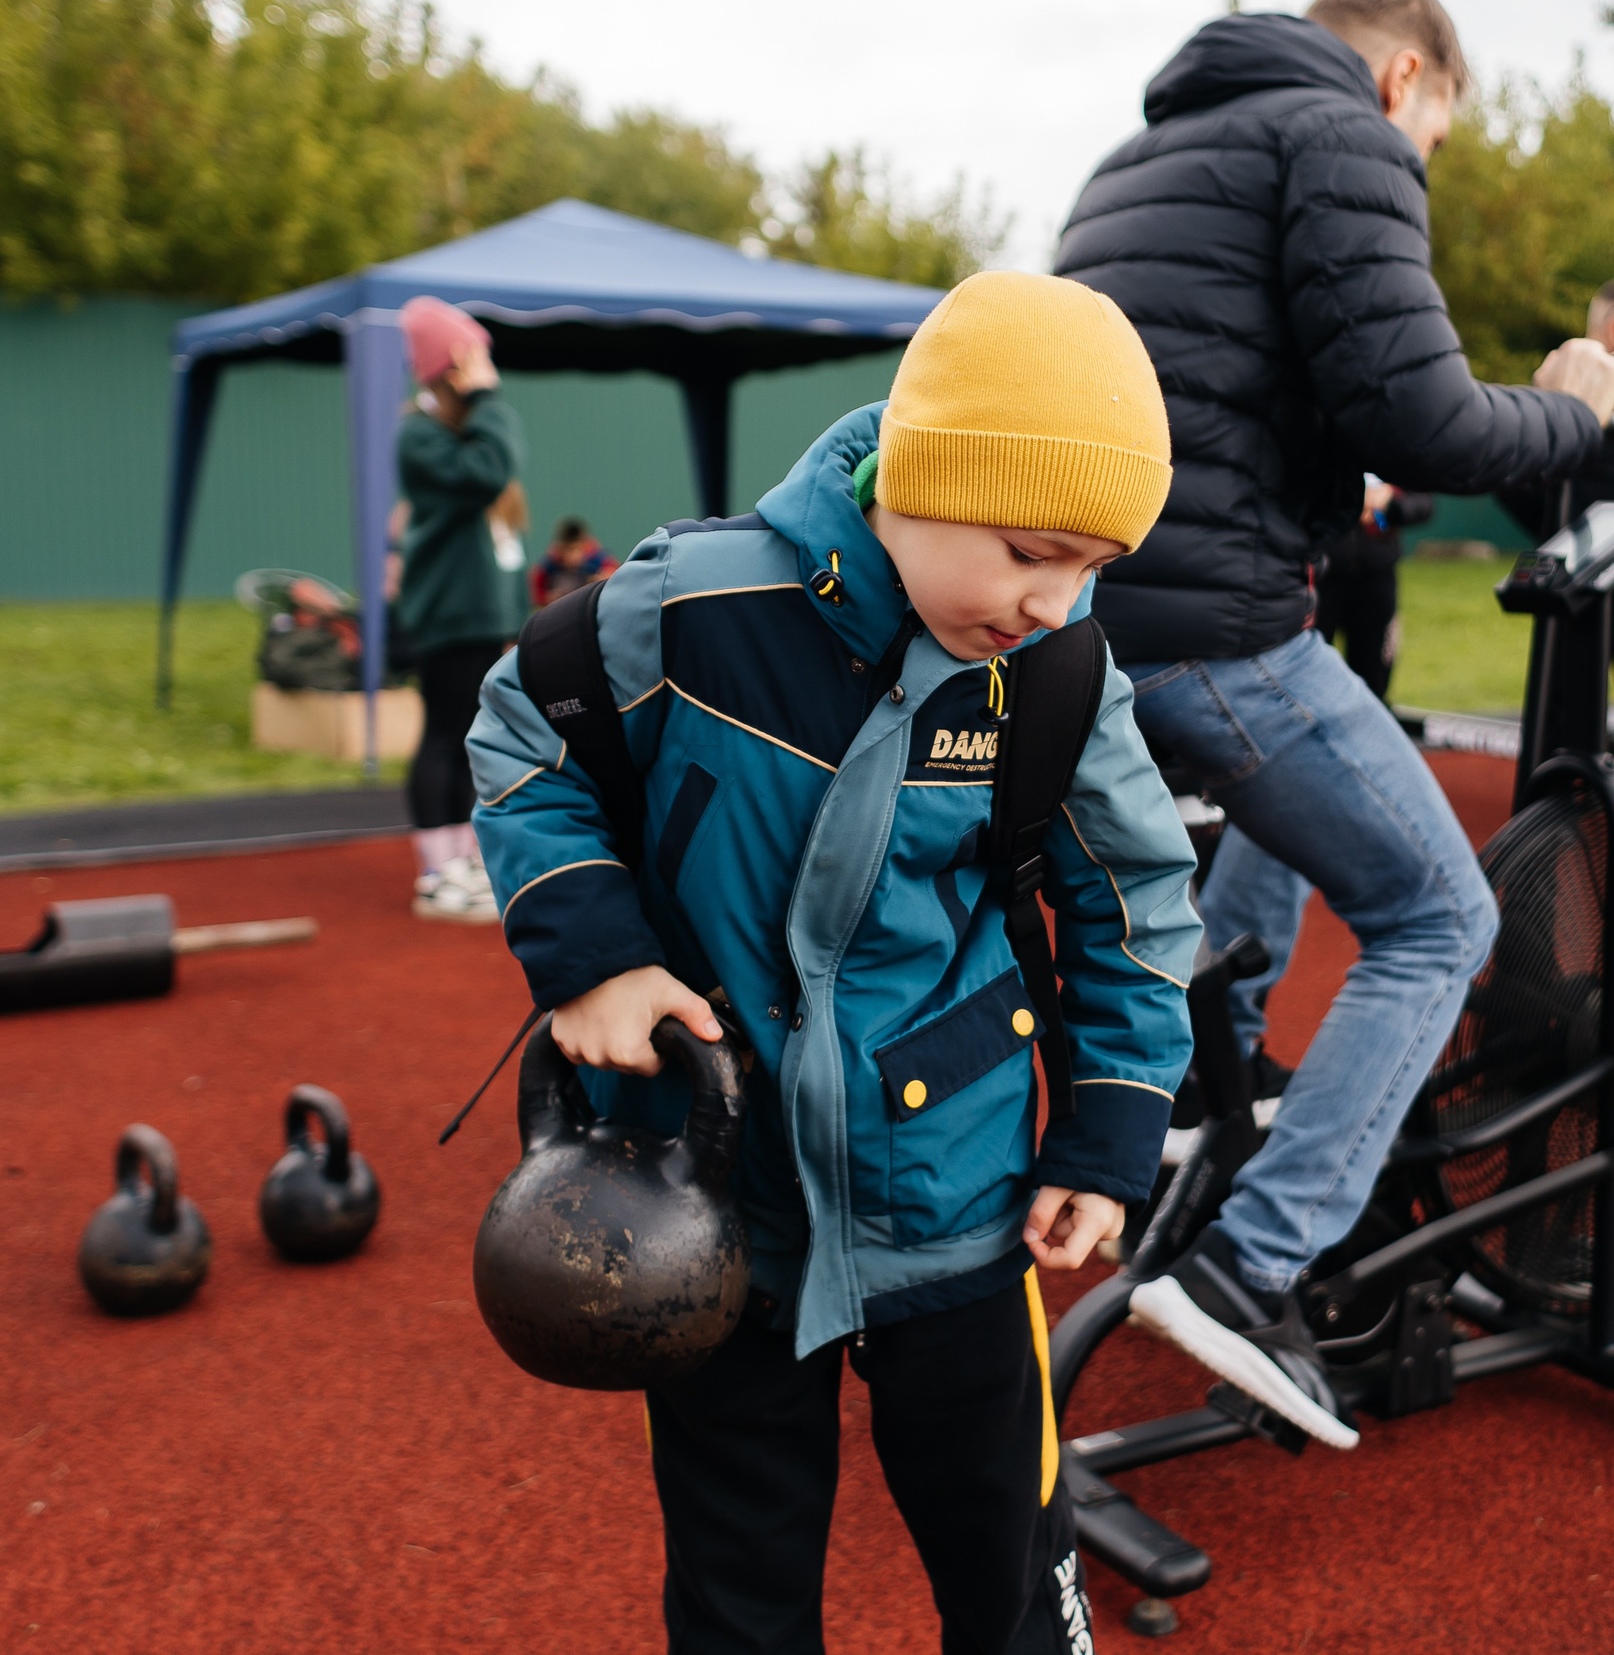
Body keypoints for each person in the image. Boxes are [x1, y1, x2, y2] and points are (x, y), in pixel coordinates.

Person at [468, 272, 1199, 1653]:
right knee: (739, 1581)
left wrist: (1108, 1135)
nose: (1056, 601)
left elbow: (1140, 901)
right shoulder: (693, 608)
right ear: (921, 477)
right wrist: (595, 957)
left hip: (960, 1191)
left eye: (1095, 567)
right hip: (713, 1197)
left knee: (1008, 1554)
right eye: (1035, 549)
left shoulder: (1055, 675)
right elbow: (524, 740)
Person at [1055, 0, 1614, 1447]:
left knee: (1295, 817)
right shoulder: (1345, 138)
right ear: (1408, 80)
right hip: (1218, 631)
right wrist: (1576, 405)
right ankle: (1252, 1264)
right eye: (1438, 131)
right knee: (1443, 912)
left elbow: (1235, 387)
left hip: (1090, 625)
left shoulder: (1138, 159)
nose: (1427, 161)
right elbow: (1414, 412)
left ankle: (1219, 1075)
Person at [1501, 278, 1614, 777]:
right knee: (1565, 698)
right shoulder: (1563, 382)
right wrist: (1555, 541)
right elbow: (1516, 477)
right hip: (1575, 571)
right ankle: (1555, 812)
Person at [395, 295, 527, 924]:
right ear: (449, 367)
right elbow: (490, 470)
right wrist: (489, 398)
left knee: (470, 736)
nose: (483, 371)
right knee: (445, 734)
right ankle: (435, 871)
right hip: (448, 615)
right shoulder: (420, 434)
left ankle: (463, 860)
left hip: (478, 616)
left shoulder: (456, 429)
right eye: (471, 359)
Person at [1314, 477, 1436, 699]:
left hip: (1376, 576)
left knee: (1373, 678)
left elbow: (1422, 504)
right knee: (1311, 674)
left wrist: (1388, 504)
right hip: (1322, 576)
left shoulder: (1393, 450)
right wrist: (1348, 502)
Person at [531, 515, 615, 607]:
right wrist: (547, 598)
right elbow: (535, 591)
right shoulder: (550, 563)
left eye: (576, 549)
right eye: (568, 549)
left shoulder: (598, 560)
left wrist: (601, 582)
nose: (571, 556)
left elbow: (615, 576)